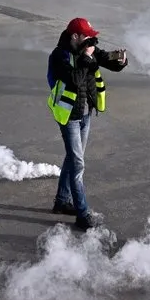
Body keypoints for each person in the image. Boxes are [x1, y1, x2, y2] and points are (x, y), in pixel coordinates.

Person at [46, 17, 129, 230]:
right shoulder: (59, 55)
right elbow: (74, 79)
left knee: (73, 159)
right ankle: (83, 214)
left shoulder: (88, 48)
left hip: (85, 114)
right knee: (78, 164)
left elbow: (107, 62)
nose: (91, 39)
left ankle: (61, 201)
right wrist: (85, 57)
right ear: (75, 36)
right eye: (87, 36)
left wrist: (120, 61)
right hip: (69, 117)